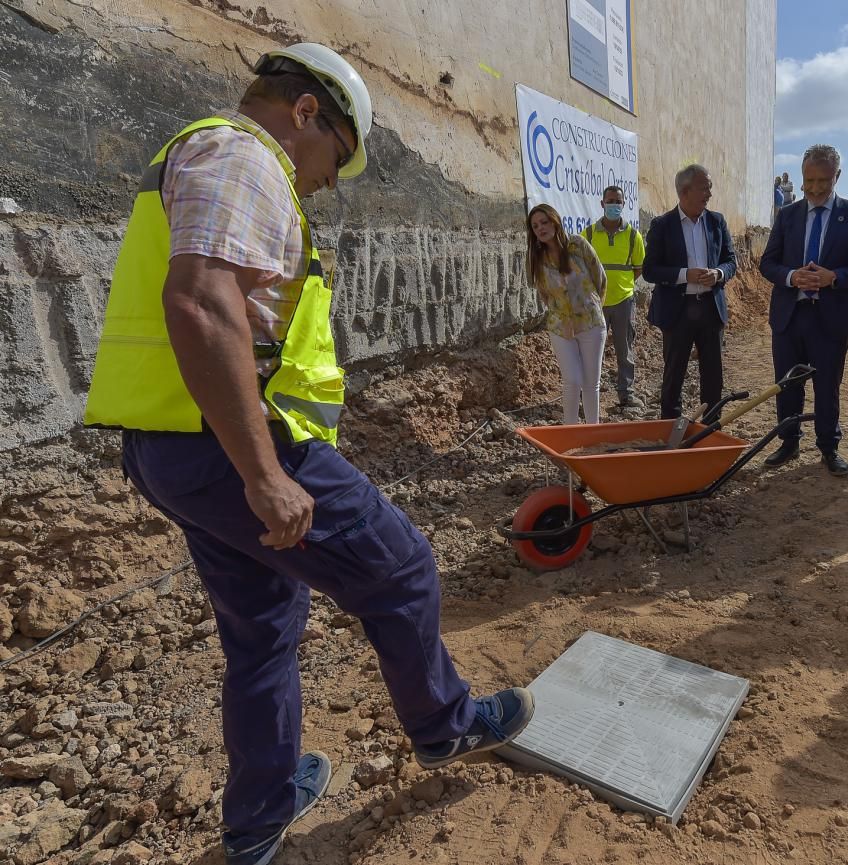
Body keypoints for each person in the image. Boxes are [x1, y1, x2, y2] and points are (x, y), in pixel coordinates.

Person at [81, 44, 533, 865]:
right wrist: (263, 474)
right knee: (400, 570)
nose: (330, 179)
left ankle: (260, 813)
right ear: (305, 113)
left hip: (170, 444)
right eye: (339, 156)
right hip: (230, 443)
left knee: (263, 626)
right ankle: (446, 725)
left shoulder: (206, 156)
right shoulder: (240, 153)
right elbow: (201, 301)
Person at [760, 144, 848, 476]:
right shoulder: (788, 215)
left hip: (830, 318)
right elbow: (768, 263)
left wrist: (834, 277)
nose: (814, 189)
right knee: (787, 383)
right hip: (789, 316)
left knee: (827, 386)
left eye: (822, 181)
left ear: (837, 176)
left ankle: (828, 446)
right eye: (808, 181)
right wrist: (791, 276)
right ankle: (789, 441)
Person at [642, 164, 736, 418]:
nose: (709, 193)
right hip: (677, 311)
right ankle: (671, 431)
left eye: (710, 188)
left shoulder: (717, 222)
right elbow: (650, 270)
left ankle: (711, 428)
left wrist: (718, 274)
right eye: (704, 188)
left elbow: (730, 260)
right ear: (685, 191)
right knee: (674, 374)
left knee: (713, 375)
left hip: (710, 308)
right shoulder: (662, 225)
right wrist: (685, 275)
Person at [527, 203, 608, 424]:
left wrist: (593, 307)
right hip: (560, 327)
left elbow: (599, 278)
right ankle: (570, 432)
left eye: (544, 222)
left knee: (591, 383)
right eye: (535, 226)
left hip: (591, 322)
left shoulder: (577, 244)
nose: (541, 229)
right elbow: (544, 294)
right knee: (571, 380)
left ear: (555, 221)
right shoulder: (537, 257)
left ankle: (593, 432)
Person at [584, 186, 646, 410]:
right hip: (595, 303)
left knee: (625, 350)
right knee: (592, 352)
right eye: (610, 201)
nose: (614, 205)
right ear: (602, 204)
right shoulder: (589, 234)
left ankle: (626, 395)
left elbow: (638, 268)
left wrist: (622, 285)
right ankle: (589, 396)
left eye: (618, 201)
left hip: (623, 301)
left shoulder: (633, 236)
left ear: (624, 204)